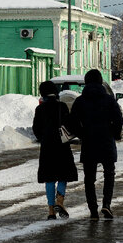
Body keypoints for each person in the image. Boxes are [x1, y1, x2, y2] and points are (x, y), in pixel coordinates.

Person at [68, 69, 123, 220]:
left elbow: (72, 123)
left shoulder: (80, 101)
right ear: (100, 82)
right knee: (109, 174)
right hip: (106, 141)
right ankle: (106, 204)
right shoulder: (109, 100)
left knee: (89, 178)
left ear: (86, 82)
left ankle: (93, 211)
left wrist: (82, 134)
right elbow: (118, 119)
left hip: (89, 143)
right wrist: (114, 133)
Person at [32, 80, 77, 219]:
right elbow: (69, 124)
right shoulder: (62, 106)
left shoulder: (40, 109)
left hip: (47, 147)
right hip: (62, 146)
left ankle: (51, 210)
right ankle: (60, 200)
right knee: (64, 174)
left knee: (49, 178)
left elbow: (36, 129)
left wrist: (43, 138)